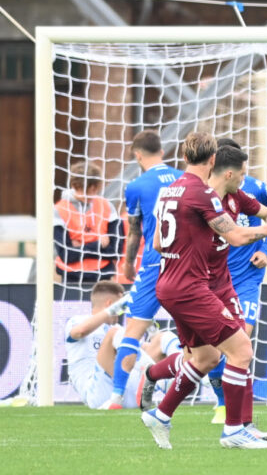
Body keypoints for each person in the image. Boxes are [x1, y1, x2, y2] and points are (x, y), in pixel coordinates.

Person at [140, 132, 267, 450]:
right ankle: (233, 430)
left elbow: (157, 242)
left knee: (207, 357)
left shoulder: (173, 189)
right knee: (241, 351)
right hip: (192, 287)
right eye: (241, 172)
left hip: (177, 282)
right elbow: (238, 237)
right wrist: (266, 231)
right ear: (216, 163)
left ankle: (162, 413)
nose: (245, 177)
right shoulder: (203, 194)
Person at [205, 138, 267, 425]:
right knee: (212, 353)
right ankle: (223, 404)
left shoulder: (255, 189)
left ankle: (239, 417)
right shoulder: (206, 195)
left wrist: (266, 250)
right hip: (214, 279)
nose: (242, 174)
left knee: (240, 343)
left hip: (247, 279)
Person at [104, 130, 183, 410]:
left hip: (153, 265)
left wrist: (127, 263)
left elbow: (135, 231)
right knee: (204, 336)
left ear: (138, 155)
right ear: (161, 151)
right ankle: (221, 404)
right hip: (186, 264)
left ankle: (115, 399)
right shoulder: (185, 178)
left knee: (133, 332)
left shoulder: (136, 185)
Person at [64, 280, 181, 409]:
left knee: (163, 338)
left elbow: (141, 351)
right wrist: (110, 311)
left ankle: (184, 373)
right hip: (98, 393)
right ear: (109, 304)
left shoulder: (118, 330)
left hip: (126, 392)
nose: (122, 312)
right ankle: (158, 378)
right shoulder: (78, 320)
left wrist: (152, 332)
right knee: (115, 333)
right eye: (121, 307)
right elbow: (79, 332)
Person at [54, 162, 122, 284]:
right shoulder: (59, 210)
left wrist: (79, 246)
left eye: (95, 188)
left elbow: (115, 251)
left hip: (103, 277)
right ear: (74, 186)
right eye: (89, 189)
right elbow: (67, 255)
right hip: (71, 278)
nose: (93, 192)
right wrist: (99, 244)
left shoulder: (107, 206)